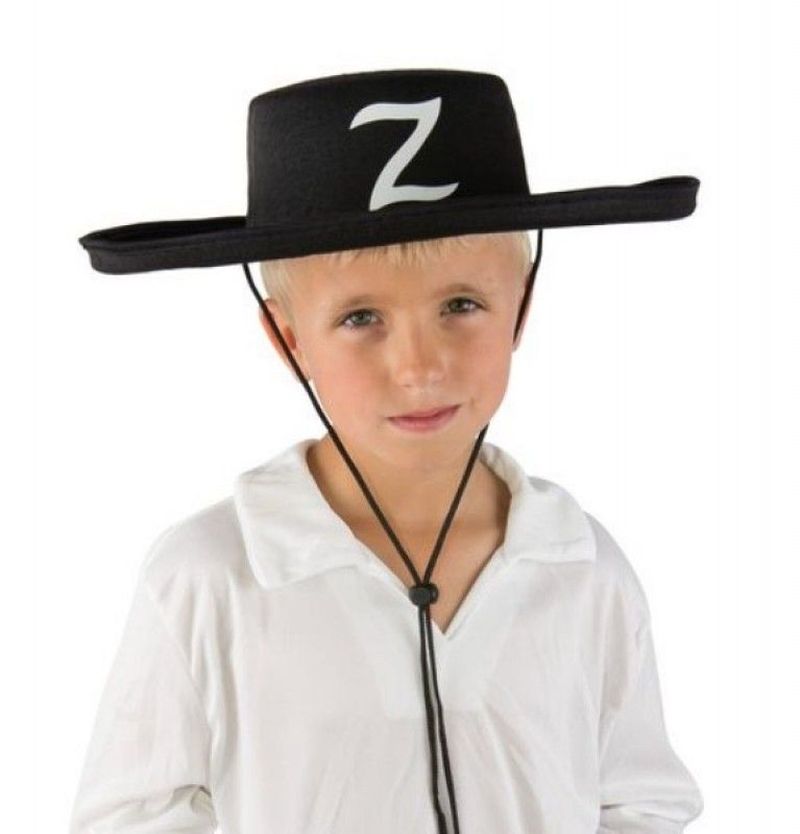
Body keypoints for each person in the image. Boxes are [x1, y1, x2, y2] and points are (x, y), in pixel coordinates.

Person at [70, 68, 704, 833]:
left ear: (522, 308)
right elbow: (132, 816)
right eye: (361, 318)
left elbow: (640, 804)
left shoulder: (582, 568)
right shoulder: (209, 577)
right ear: (287, 338)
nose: (419, 366)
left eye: (462, 304)